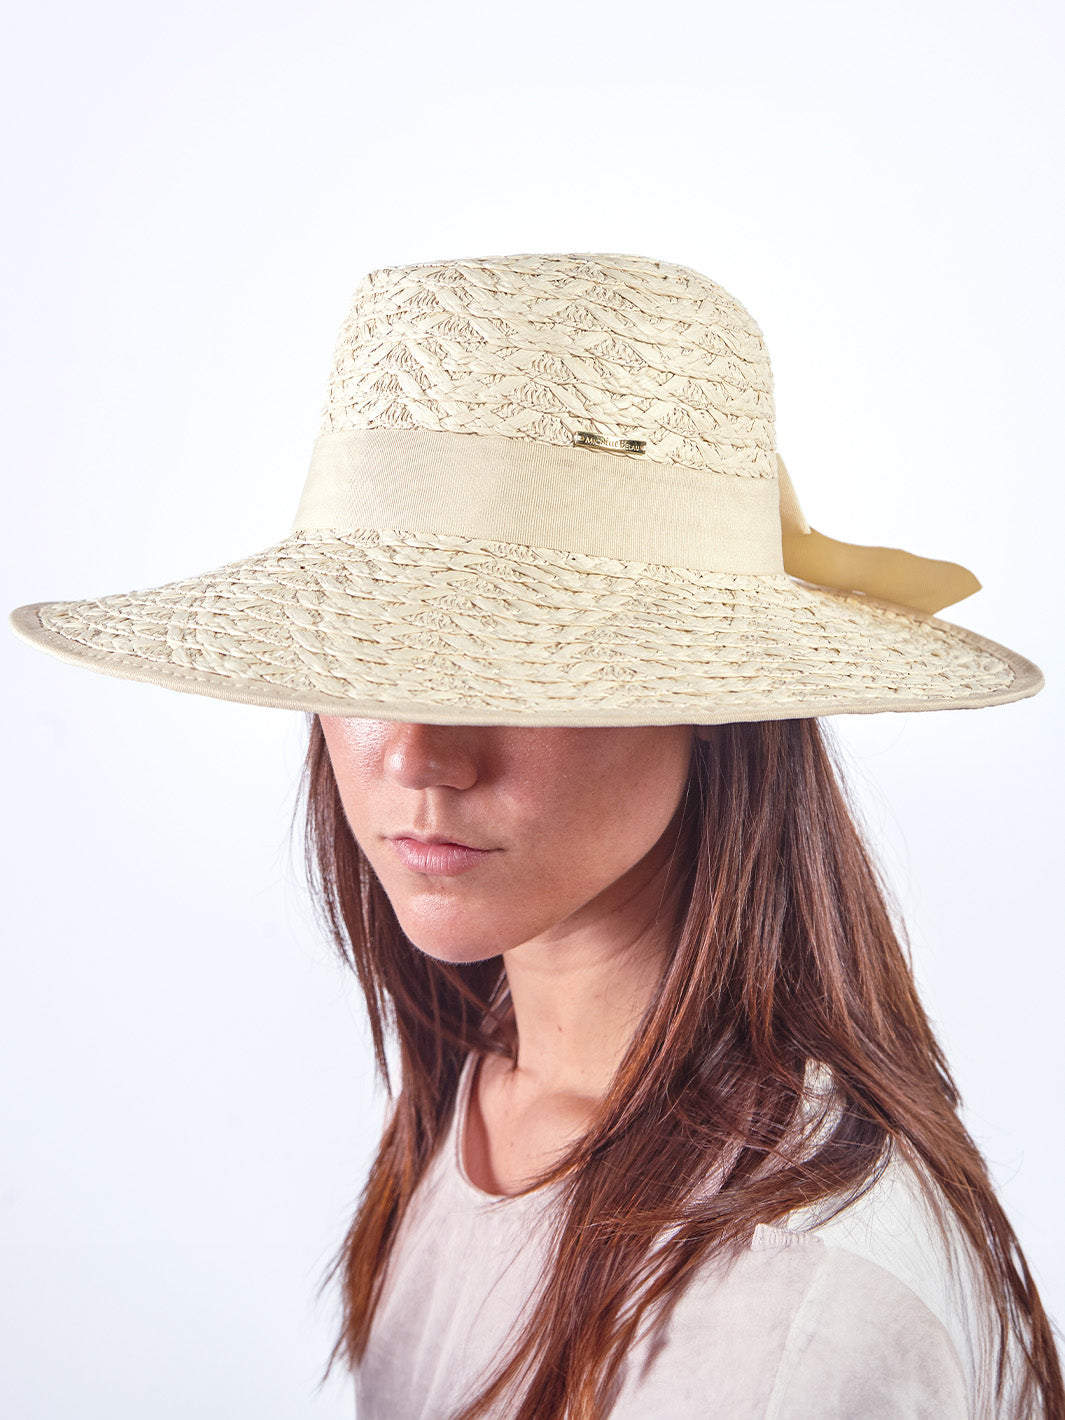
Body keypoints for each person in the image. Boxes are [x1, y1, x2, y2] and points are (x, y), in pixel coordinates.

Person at [10, 251, 1061, 1418]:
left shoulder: (783, 1304)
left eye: (513, 665)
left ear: (715, 702)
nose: (421, 754)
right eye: (364, 656)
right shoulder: (485, 1100)